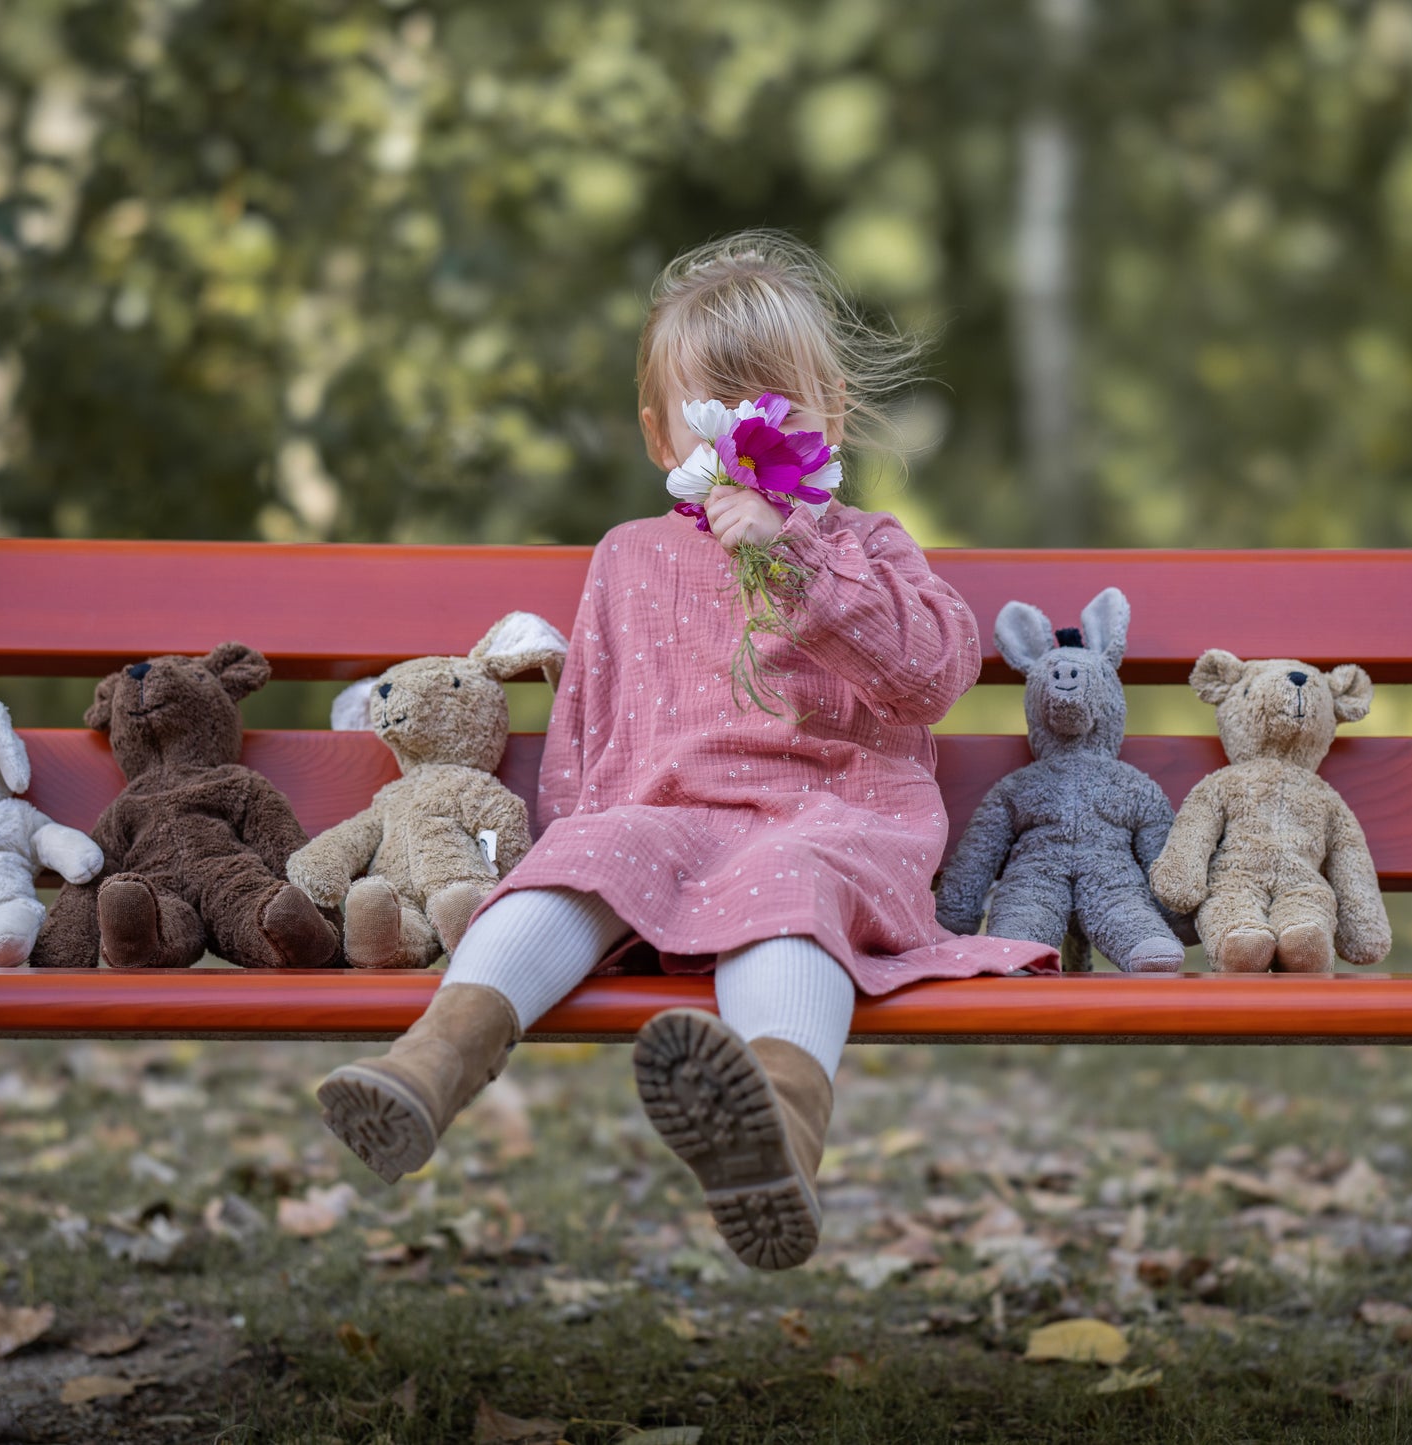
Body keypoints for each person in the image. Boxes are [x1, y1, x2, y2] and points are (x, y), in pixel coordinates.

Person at [315, 231, 1058, 1270]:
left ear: (830, 412)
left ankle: (779, 1141)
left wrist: (791, 555)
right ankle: (428, 1067)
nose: (750, 431)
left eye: (776, 405)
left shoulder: (864, 546)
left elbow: (935, 671)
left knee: (787, 884)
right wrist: (584, 846)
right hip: (668, 822)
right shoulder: (627, 553)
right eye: (720, 408)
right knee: (589, 851)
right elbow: (591, 731)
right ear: (664, 435)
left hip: (828, 820)